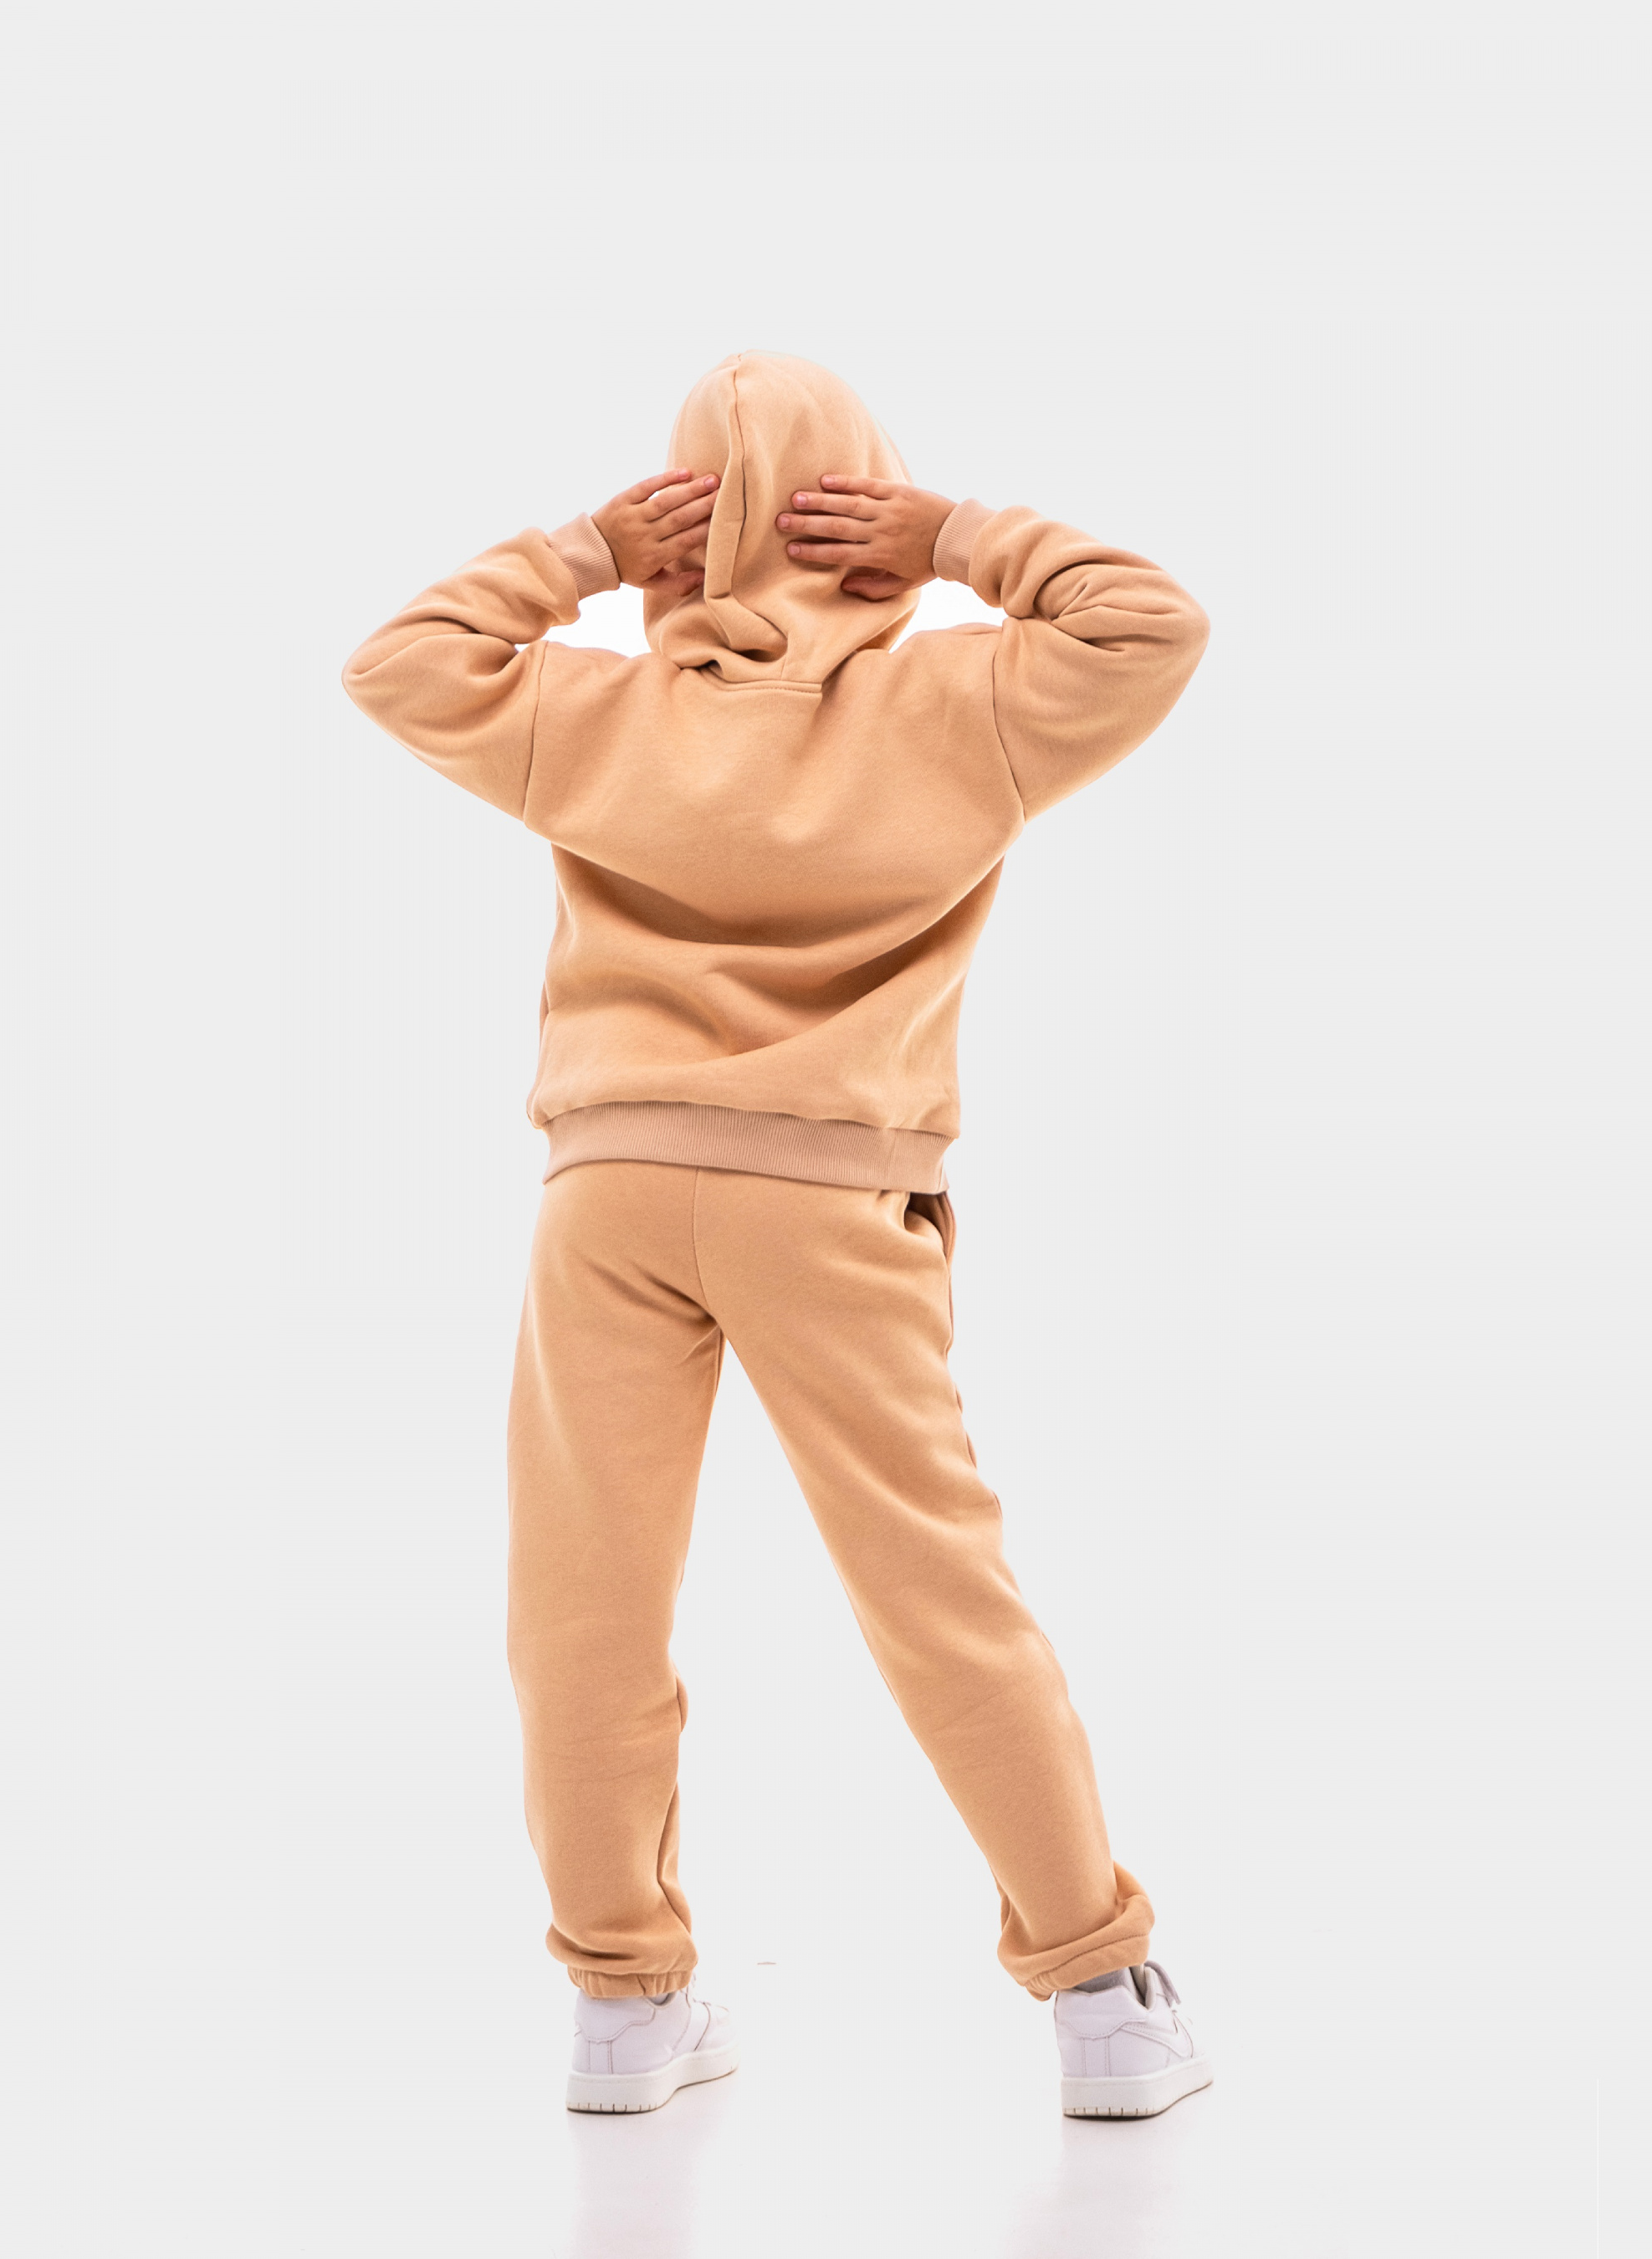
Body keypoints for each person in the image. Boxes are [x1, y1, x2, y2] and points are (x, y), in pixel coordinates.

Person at [341, 351, 1212, 2120]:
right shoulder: (967, 702)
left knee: (583, 1604)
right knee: (937, 1593)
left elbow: (399, 662)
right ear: (867, 509)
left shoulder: (594, 713)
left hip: (608, 1193)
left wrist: (587, 553)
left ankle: (620, 2006)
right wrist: (955, 538)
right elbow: (1150, 624)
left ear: (682, 529)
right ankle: (1099, 2000)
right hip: (825, 1201)